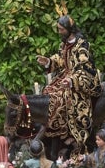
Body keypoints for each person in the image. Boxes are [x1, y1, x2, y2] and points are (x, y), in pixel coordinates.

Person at [35, 11, 100, 154]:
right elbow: (60, 59)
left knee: (66, 96)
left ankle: (76, 133)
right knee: (48, 91)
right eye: (58, 29)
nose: (59, 32)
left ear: (69, 29)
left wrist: (72, 80)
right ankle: (60, 130)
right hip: (66, 76)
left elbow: (85, 66)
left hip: (81, 78)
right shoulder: (63, 44)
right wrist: (48, 61)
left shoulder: (82, 45)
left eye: (61, 29)